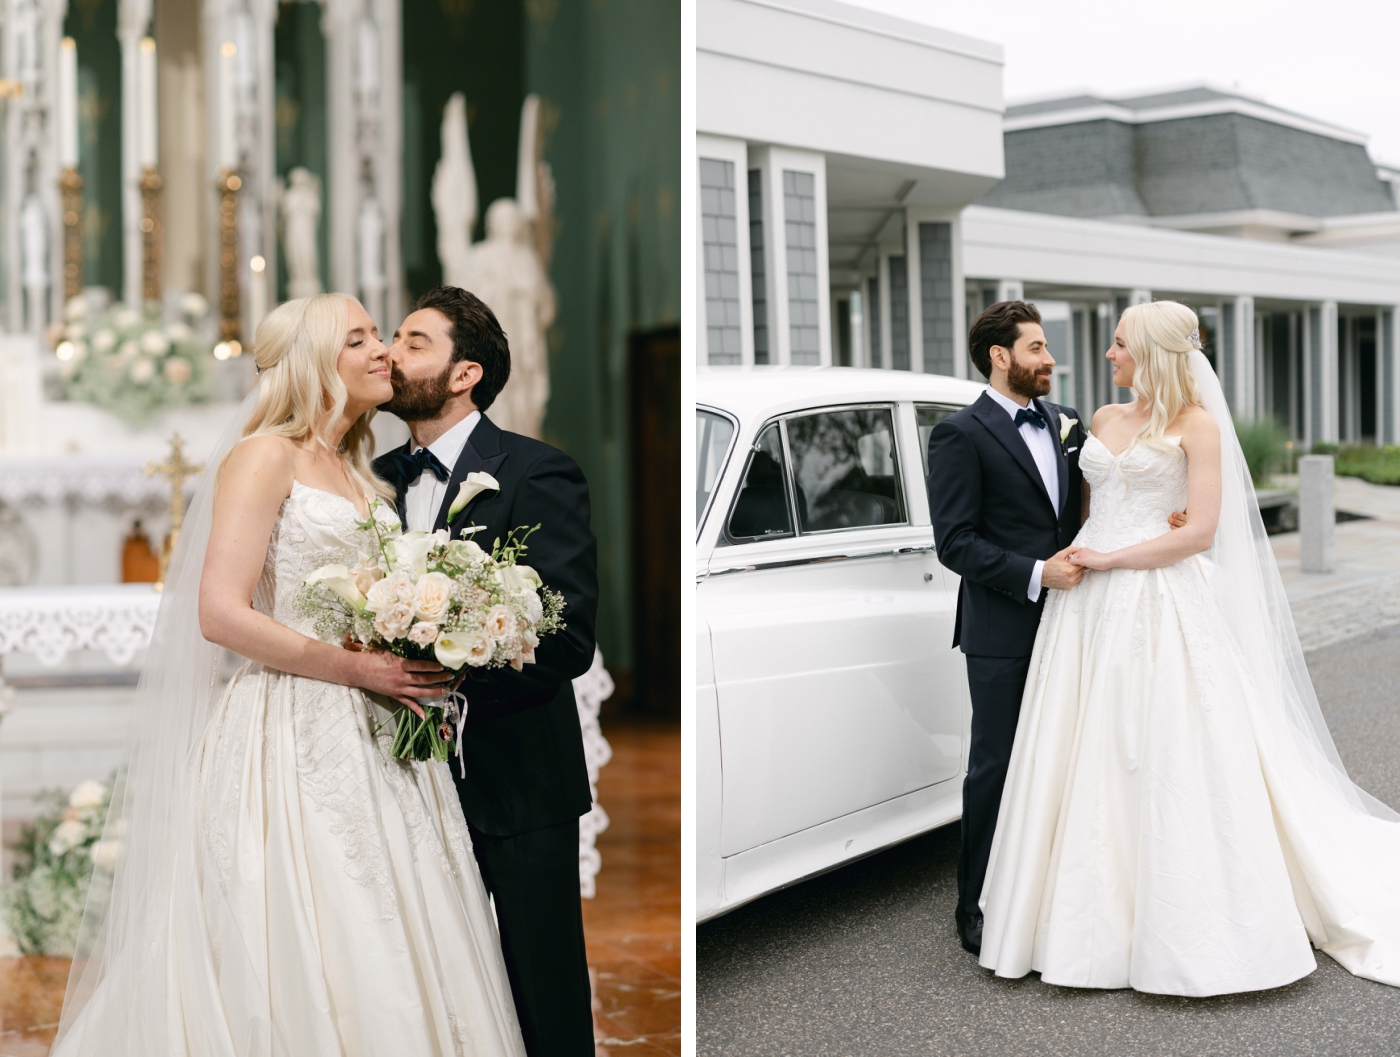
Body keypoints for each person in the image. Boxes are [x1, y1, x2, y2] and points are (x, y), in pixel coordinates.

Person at [52, 294, 526, 1055]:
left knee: (393, 916)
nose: (383, 351)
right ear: (313, 361)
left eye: (381, 336)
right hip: (291, 727)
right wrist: (354, 664)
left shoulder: (357, 469)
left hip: (378, 730)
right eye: (360, 338)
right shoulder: (263, 455)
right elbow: (220, 612)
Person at [978, 300, 1400, 996]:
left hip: (1157, 596)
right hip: (1084, 609)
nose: (1107, 356)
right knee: (1085, 747)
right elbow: (1090, 510)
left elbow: (1200, 530)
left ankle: (1177, 923)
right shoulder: (1104, 422)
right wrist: (1089, 555)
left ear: (1149, 352)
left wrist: (1117, 557)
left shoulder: (1197, 426)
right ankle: (1079, 917)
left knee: (1165, 745)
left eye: (1118, 344)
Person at [374, 286, 598, 1057]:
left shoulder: (538, 472)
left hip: (515, 774)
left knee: (543, 984)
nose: (390, 355)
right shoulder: (370, 482)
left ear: (464, 372)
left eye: (412, 341)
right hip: (392, 780)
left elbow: (567, 638)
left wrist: (447, 681)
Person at [925, 300, 1089, 957]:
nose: (1049, 359)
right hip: (1002, 628)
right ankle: (975, 903)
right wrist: (1034, 573)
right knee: (995, 764)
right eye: (1037, 347)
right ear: (1001, 355)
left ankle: (1046, 891)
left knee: (1063, 760)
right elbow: (955, 542)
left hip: (1075, 622)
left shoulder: (1062, 422)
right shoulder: (960, 435)